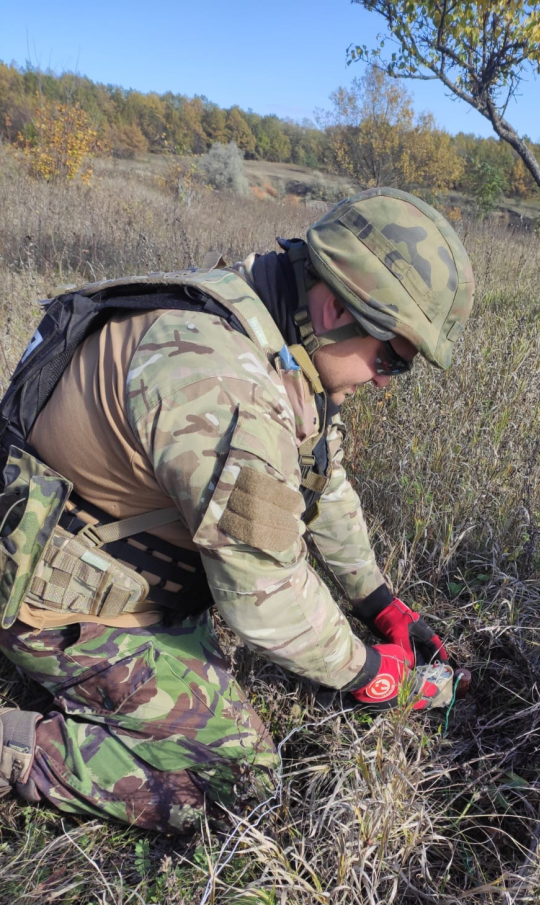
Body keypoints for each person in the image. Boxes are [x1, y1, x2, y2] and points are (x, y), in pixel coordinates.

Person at [0, 187, 474, 833]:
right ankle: (15, 743)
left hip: (105, 567)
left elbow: (320, 480)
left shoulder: (263, 317)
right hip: (64, 605)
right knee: (225, 782)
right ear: (335, 304)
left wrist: (379, 604)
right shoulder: (221, 381)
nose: (386, 381)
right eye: (389, 357)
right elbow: (264, 599)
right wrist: (372, 673)